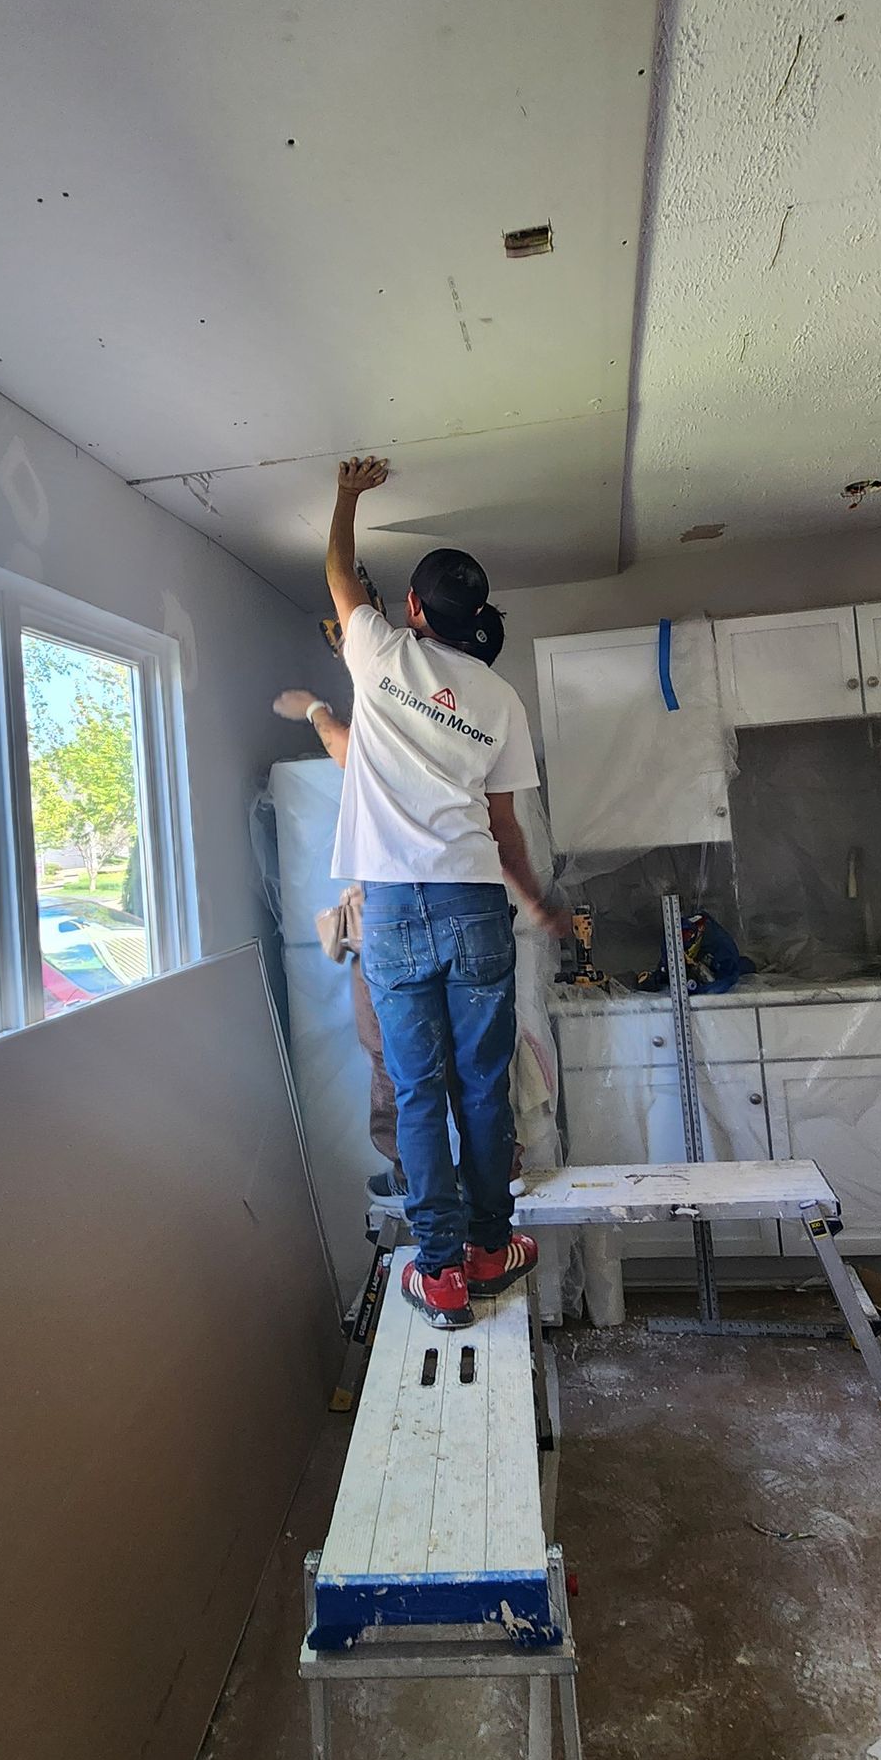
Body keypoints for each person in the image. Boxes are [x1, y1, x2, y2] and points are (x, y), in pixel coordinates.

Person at [301, 454, 563, 1330]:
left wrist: (347, 495)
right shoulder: (499, 698)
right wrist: (535, 900)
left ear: (413, 609)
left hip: (394, 909)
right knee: (484, 1087)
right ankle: (494, 1247)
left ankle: (443, 1274)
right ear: (475, 618)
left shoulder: (378, 652)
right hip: (473, 899)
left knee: (417, 1091)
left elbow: (339, 572)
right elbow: (506, 825)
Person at [275, 605, 511, 1204]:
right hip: (472, 902)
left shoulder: (398, 718)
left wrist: (313, 708)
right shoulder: (486, 709)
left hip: (394, 908)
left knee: (402, 1071)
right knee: (477, 1071)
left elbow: (344, 746)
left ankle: (427, 1211)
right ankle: (489, 1201)